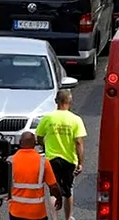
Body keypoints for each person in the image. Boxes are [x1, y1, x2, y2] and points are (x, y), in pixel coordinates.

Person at [34, 89, 86, 220]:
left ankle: (54, 218)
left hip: (52, 159)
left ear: (56, 101)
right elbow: (79, 142)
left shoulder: (48, 118)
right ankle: (68, 217)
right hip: (69, 160)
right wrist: (80, 163)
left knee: (53, 189)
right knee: (68, 191)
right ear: (70, 101)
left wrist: (45, 146)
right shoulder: (76, 120)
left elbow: (39, 136)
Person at [7, 131, 63, 220]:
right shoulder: (43, 162)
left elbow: (0, 187)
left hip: (16, 212)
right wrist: (59, 199)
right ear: (34, 144)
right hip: (37, 213)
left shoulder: (10, 161)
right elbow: (53, 186)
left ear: (20, 143)